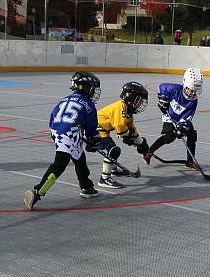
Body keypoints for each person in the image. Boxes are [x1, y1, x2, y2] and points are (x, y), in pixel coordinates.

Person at [24, 72, 102, 209]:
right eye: (92, 87)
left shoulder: (64, 99)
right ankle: (37, 192)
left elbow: (53, 116)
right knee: (59, 164)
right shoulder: (88, 104)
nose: (93, 91)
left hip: (57, 130)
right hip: (70, 133)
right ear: (83, 87)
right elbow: (91, 128)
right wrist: (94, 140)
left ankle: (86, 186)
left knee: (79, 158)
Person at [143, 68, 203, 170]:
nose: (193, 93)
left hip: (181, 120)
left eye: (195, 91)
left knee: (192, 135)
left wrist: (182, 127)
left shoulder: (193, 101)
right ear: (185, 84)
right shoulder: (173, 89)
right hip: (169, 117)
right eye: (191, 90)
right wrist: (162, 99)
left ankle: (189, 161)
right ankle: (148, 152)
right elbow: (161, 87)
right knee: (170, 137)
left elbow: (188, 117)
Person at [95, 82, 150, 189]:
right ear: (131, 99)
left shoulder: (127, 110)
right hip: (93, 129)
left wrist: (143, 146)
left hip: (102, 129)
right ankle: (104, 178)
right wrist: (130, 138)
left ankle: (114, 170)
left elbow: (131, 129)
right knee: (114, 150)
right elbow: (121, 129)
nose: (141, 104)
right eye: (139, 101)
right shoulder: (120, 107)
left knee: (113, 149)